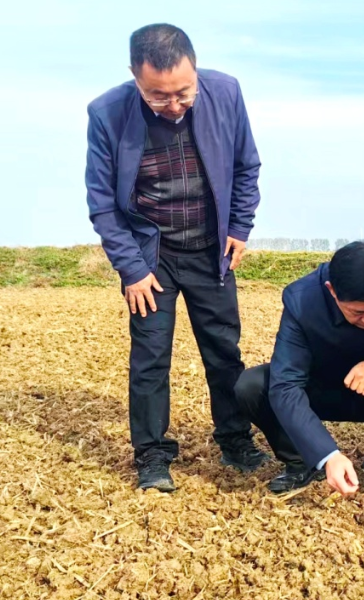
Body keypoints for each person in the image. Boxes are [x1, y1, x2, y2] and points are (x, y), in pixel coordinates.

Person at [84, 23, 267, 492]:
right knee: (149, 357)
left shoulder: (226, 93)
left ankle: (235, 439)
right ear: (135, 77)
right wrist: (131, 268)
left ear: (195, 69)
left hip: (211, 249)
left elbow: (246, 166)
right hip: (152, 257)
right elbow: (102, 203)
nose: (174, 105)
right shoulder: (107, 113)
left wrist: (239, 227)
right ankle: (151, 454)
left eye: (184, 93)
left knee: (223, 351)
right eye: (158, 96)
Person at [235, 241, 364, 494]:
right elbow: (286, 382)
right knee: (252, 386)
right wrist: (327, 454)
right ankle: (302, 460)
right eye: (357, 312)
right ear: (331, 291)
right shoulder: (302, 301)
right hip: (323, 391)